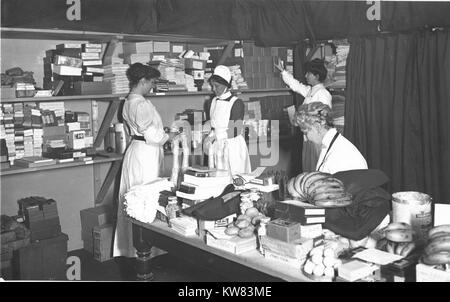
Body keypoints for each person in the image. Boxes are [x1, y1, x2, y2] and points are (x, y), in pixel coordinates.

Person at [113, 63, 173, 258]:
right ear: (142, 81)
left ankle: (133, 249)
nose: (152, 87)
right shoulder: (141, 104)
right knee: (148, 197)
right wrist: (170, 136)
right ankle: (148, 249)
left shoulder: (127, 102)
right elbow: (153, 136)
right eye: (152, 82)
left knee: (133, 199)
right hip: (146, 153)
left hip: (136, 151)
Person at [275, 58, 332, 172]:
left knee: (316, 170)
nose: (306, 75)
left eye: (309, 73)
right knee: (309, 169)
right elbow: (296, 86)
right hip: (308, 138)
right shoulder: (311, 91)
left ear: (316, 76)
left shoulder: (323, 94)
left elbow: (325, 118)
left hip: (317, 140)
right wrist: (283, 72)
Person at [203, 65, 251, 175]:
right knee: (217, 177)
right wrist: (209, 136)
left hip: (232, 146)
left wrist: (217, 136)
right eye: (212, 86)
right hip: (216, 144)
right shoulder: (213, 101)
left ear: (226, 85)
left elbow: (236, 129)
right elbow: (213, 123)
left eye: (217, 86)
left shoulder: (236, 103)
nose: (214, 89)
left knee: (233, 176)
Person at [294, 102, 367, 174]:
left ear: (317, 127)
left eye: (306, 133)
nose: (306, 138)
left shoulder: (339, 155)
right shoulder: (334, 144)